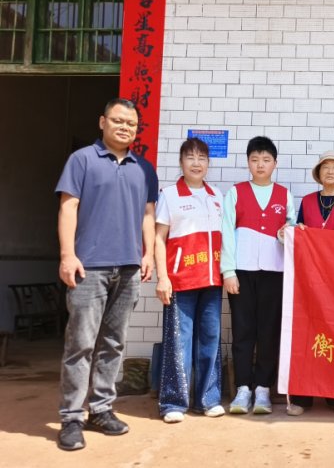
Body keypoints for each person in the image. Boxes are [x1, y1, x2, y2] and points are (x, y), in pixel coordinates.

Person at [55, 98, 158, 451]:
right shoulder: (82, 160)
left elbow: (148, 214)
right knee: (80, 343)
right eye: (118, 120)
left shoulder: (144, 168)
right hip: (89, 267)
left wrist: (147, 254)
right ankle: (71, 417)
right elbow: (68, 207)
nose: (124, 127)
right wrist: (67, 255)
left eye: (131, 124)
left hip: (128, 268)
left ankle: (101, 409)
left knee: (114, 343)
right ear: (102, 122)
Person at [221, 136, 296, 415]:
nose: (260, 165)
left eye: (266, 160)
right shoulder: (236, 192)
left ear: (275, 163)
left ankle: (263, 388)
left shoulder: (285, 195)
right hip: (241, 271)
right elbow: (226, 232)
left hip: (274, 272)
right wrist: (228, 271)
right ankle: (243, 388)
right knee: (242, 329)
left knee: (268, 330)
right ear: (248, 163)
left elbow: (291, 232)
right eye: (255, 159)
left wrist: (286, 233)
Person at [286, 150, 334, 416]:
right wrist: (298, 232)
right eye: (326, 167)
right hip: (309, 281)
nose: (330, 171)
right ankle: (302, 397)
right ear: (318, 173)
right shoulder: (307, 201)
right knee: (307, 334)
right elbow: (297, 236)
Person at [154, 138, 225, 423]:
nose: (197, 163)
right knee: (179, 343)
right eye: (191, 158)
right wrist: (162, 277)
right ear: (181, 162)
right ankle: (173, 402)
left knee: (210, 339)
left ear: (208, 163)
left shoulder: (216, 195)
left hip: (212, 280)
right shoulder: (169, 195)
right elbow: (159, 238)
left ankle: (208, 399)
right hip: (180, 281)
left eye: (202, 158)